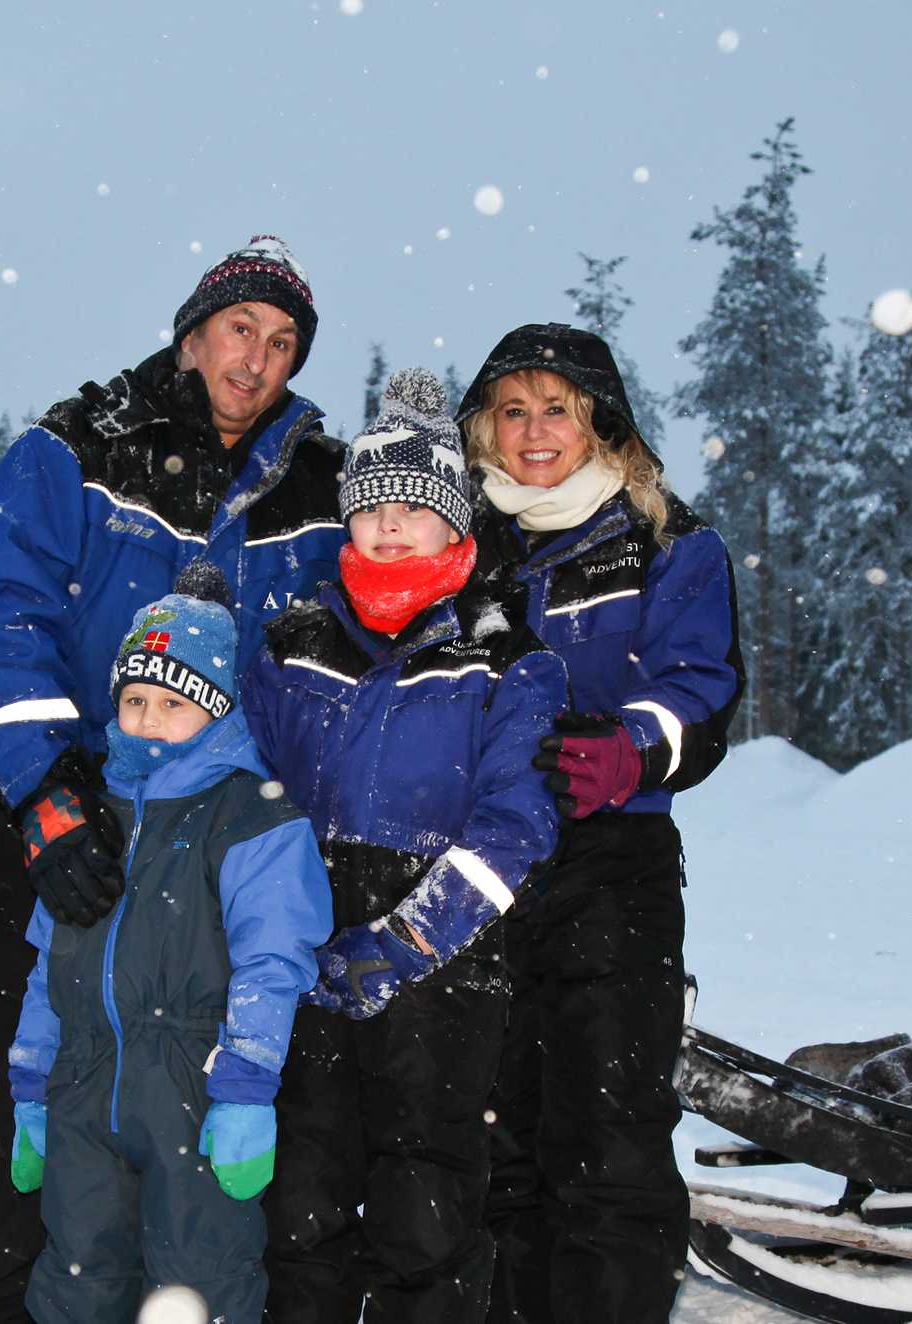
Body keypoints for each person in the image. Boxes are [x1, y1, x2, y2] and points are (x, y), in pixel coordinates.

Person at [0, 235, 348, 1323]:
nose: (255, 360)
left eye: (282, 342)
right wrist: (47, 789)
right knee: (18, 1131)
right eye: (240, 329)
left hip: (229, 852)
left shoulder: (320, 483)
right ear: (192, 331)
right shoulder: (76, 449)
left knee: (232, 1153)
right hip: (66, 830)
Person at [241, 369, 566, 1322]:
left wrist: (409, 941)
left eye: (413, 508)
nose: (389, 525)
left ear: (454, 526)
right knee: (299, 1201)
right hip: (299, 950)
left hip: (444, 970)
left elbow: (517, 828)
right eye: (371, 504)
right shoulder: (291, 643)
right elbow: (237, 783)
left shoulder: (507, 660)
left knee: (425, 1205)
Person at [454, 323, 746, 1324]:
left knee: (608, 1143)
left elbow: (700, 690)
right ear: (484, 426)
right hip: (477, 864)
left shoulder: (667, 538)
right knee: (488, 1139)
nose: (534, 431)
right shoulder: (455, 538)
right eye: (513, 409)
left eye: (557, 410)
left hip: (608, 863)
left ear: (597, 422)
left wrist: (632, 744)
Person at [6, 566, 333, 1324]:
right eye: (134, 700)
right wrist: (30, 1083)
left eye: (173, 704)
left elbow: (273, 961)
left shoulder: (252, 817)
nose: (147, 720)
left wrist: (246, 1086)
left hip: (196, 1089)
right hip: (83, 1089)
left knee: (200, 1282)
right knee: (76, 1278)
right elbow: (44, 966)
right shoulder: (89, 820)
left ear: (215, 710)